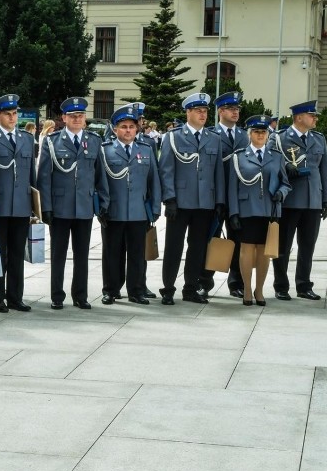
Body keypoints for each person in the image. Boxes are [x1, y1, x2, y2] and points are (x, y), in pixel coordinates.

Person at [38, 97, 109, 309]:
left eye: (80, 115)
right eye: (72, 116)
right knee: (58, 254)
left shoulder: (94, 141)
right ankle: (57, 296)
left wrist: (104, 202)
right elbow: (44, 178)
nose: (77, 119)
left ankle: (80, 295)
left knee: (82, 254)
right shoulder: (52, 141)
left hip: (84, 207)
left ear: (84, 118)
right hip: (60, 208)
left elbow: (100, 175)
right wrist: (46, 207)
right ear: (64, 118)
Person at [159, 92, 225, 305]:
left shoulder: (214, 138)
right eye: (198, 111)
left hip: (205, 203)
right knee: (173, 247)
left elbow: (218, 174)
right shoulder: (173, 137)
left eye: (205, 111)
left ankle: (190, 288)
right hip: (180, 203)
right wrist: (169, 199)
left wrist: (220, 202)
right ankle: (168, 288)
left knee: (198, 248)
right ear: (188, 112)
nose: (203, 114)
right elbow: (166, 169)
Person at [269, 100, 327, 300]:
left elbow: (324, 171)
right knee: (283, 246)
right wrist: (286, 169)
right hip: (289, 201)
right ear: (298, 118)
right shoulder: (279, 138)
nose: (315, 118)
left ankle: (304, 285)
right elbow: (270, 166)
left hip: (313, 201)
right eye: (311, 115)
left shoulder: (318, 139)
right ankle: (281, 286)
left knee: (307, 246)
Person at [0, 94, 36, 313]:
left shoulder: (26, 139)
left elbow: (32, 177)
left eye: (14, 114)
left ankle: (15, 297)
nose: (12, 118)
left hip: (21, 205)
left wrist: (34, 206)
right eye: (7, 114)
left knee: (17, 254)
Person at [99, 104, 161, 305]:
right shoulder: (106, 151)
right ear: (115, 129)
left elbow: (154, 181)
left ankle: (136, 290)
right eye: (123, 126)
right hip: (113, 211)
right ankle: (111, 289)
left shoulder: (146, 150)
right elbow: (99, 182)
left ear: (137, 129)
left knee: (137, 254)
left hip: (138, 211)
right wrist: (101, 207)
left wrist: (155, 208)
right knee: (112, 253)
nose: (127, 130)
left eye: (131, 127)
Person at [228, 115, 291, 306]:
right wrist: (233, 213)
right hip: (247, 210)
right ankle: (247, 288)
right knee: (246, 250)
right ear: (250, 134)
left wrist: (281, 192)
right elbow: (232, 187)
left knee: (265, 252)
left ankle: (260, 289)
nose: (261, 135)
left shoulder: (277, 156)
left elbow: (285, 183)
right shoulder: (239, 157)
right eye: (257, 131)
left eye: (264, 131)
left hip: (270, 210)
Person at [201, 92, 249, 299]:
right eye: (231, 109)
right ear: (221, 111)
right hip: (216, 196)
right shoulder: (210, 135)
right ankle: (204, 281)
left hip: (239, 197)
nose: (235, 112)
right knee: (210, 239)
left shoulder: (245, 136)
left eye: (237, 109)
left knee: (239, 240)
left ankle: (236, 283)